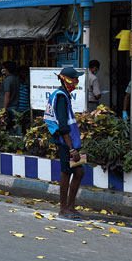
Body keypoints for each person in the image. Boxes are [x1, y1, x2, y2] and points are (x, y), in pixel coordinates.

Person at [44, 67, 86, 217]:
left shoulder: (63, 95)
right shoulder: (61, 96)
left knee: (79, 172)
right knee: (66, 173)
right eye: (74, 78)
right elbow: (63, 125)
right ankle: (63, 209)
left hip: (69, 142)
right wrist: (71, 149)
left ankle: (70, 206)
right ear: (66, 79)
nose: (77, 81)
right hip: (65, 142)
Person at [1, 61, 19, 130]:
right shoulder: (16, 79)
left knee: (2, 126)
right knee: (16, 126)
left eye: (3, 68)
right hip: (15, 106)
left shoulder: (7, 80)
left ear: (6, 70)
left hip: (8, 107)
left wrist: (4, 109)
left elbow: (7, 94)